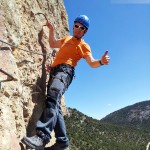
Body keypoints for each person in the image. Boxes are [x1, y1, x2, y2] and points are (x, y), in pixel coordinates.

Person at [21, 15, 110, 150]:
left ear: (85, 31)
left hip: (65, 71)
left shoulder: (83, 46)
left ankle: (42, 136)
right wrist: (51, 29)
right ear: (73, 26)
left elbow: (92, 63)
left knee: (53, 95)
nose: (79, 29)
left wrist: (101, 62)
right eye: (77, 26)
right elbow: (52, 44)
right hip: (55, 71)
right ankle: (62, 143)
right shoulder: (67, 39)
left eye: (82, 28)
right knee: (55, 105)